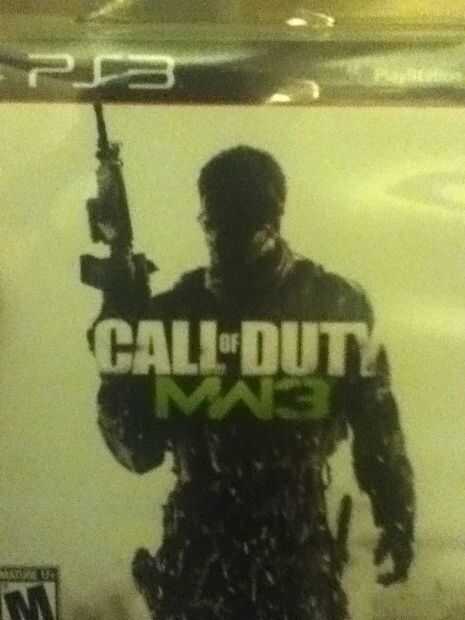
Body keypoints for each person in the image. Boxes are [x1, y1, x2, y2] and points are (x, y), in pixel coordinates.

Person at [92, 146, 415, 620]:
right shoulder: (175, 315)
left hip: (292, 559)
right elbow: (137, 448)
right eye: (217, 221)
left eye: (240, 222)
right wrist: (118, 339)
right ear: (205, 220)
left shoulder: (334, 306)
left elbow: (378, 424)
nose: (224, 238)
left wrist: (397, 513)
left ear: (273, 220)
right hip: (204, 566)